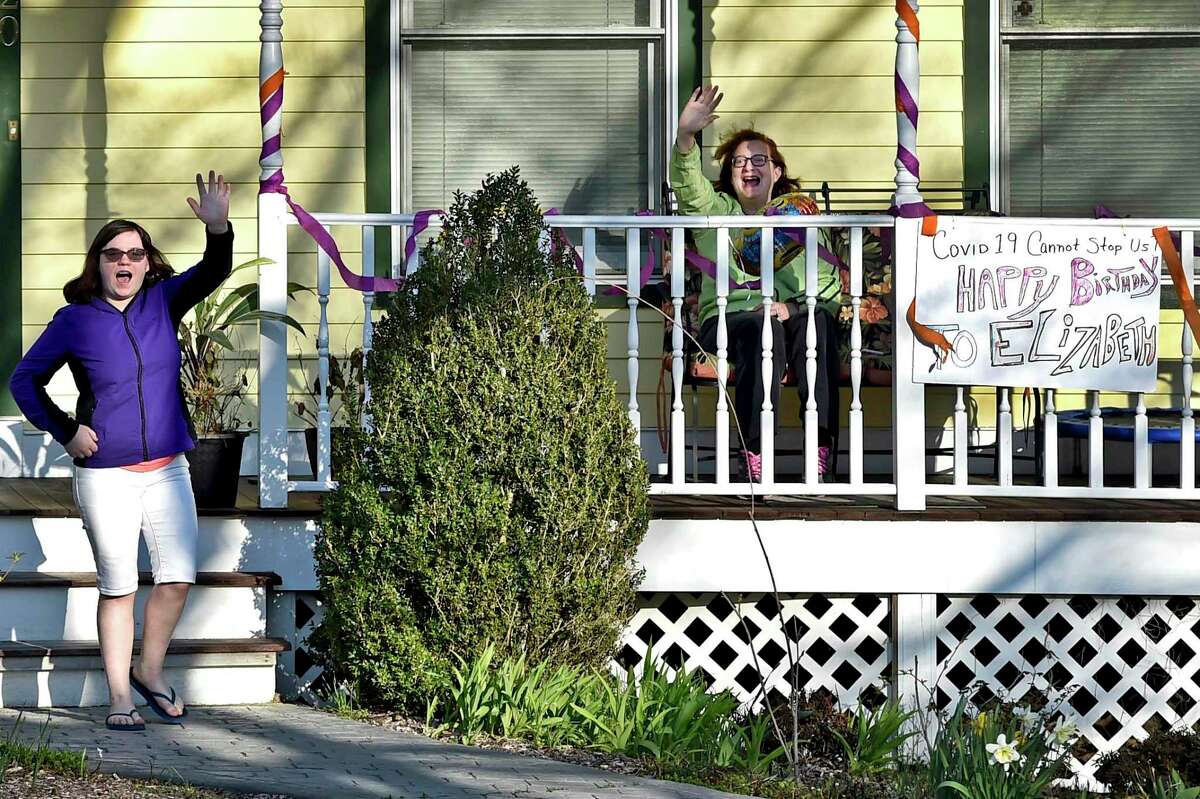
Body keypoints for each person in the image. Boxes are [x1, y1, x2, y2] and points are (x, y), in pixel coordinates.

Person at [9, 172, 234, 730]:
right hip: (105, 475)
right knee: (119, 586)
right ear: (99, 264)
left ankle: (149, 670)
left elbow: (214, 270)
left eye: (135, 253)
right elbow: (24, 381)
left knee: (177, 577)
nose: (125, 262)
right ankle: (118, 697)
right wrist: (65, 431)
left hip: (168, 471)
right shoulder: (74, 321)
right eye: (114, 254)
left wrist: (218, 228)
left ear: (147, 261)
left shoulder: (163, 300)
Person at [670, 85, 842, 481]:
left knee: (818, 324)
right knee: (764, 328)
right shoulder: (715, 213)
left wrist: (792, 307)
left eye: (759, 159)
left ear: (777, 171)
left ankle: (821, 448)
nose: (749, 167)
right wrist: (685, 137)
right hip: (730, 322)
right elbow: (690, 188)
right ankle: (754, 453)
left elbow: (830, 287)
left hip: (791, 319)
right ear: (730, 177)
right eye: (738, 163)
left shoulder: (799, 219)